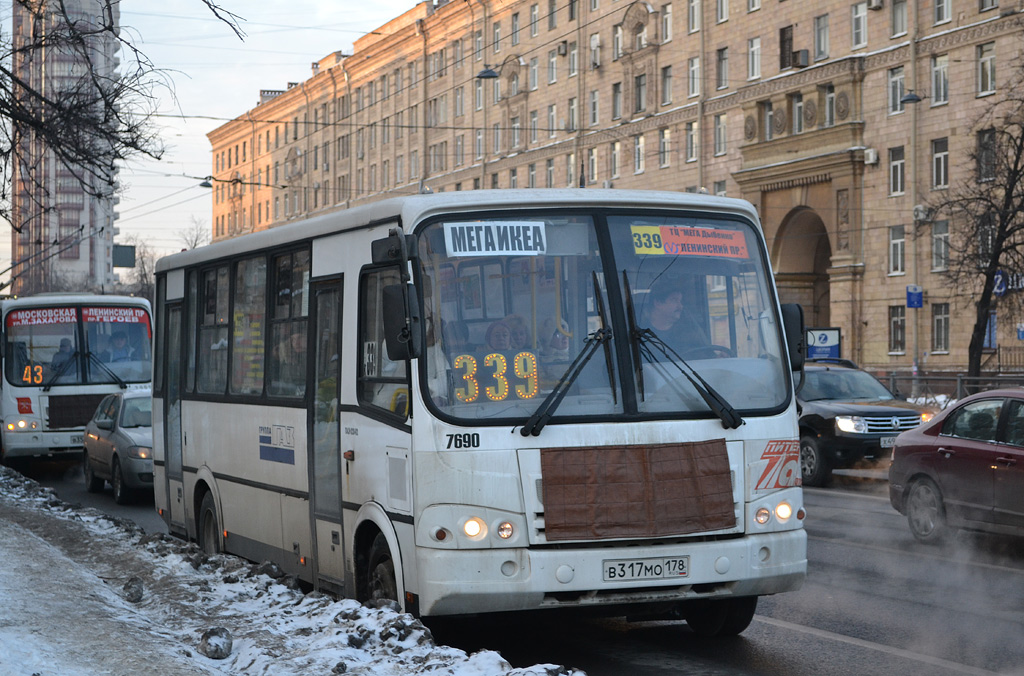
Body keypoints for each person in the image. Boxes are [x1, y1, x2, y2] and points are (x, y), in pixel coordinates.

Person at [641, 277, 710, 357]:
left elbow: (706, 354)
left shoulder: (689, 329)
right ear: (658, 303)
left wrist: (717, 358)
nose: (680, 306)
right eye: (674, 300)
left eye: (680, 301)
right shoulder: (639, 330)